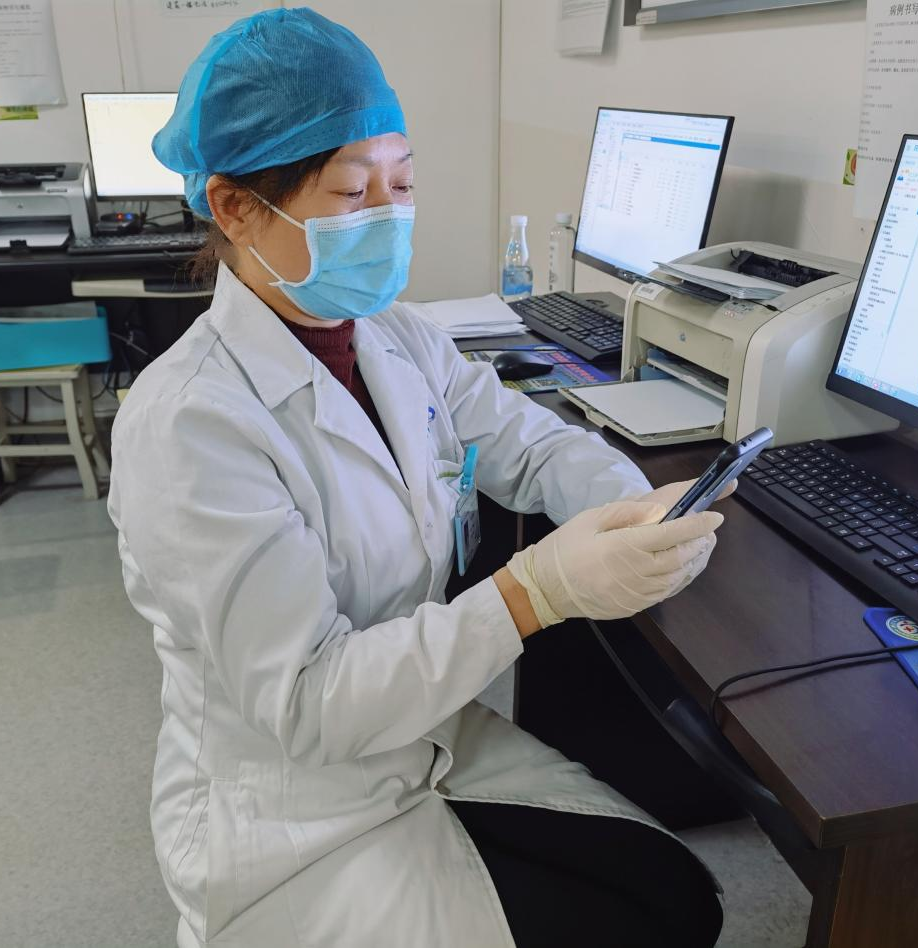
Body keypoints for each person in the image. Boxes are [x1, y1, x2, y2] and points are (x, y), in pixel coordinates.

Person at [108, 8, 727, 947]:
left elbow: (529, 442)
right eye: (352, 192)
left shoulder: (397, 337)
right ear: (233, 208)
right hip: (290, 804)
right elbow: (309, 704)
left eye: (401, 184)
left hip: (422, 729)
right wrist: (536, 592)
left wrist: (631, 506)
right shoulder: (189, 424)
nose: (389, 217)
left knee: (676, 894)